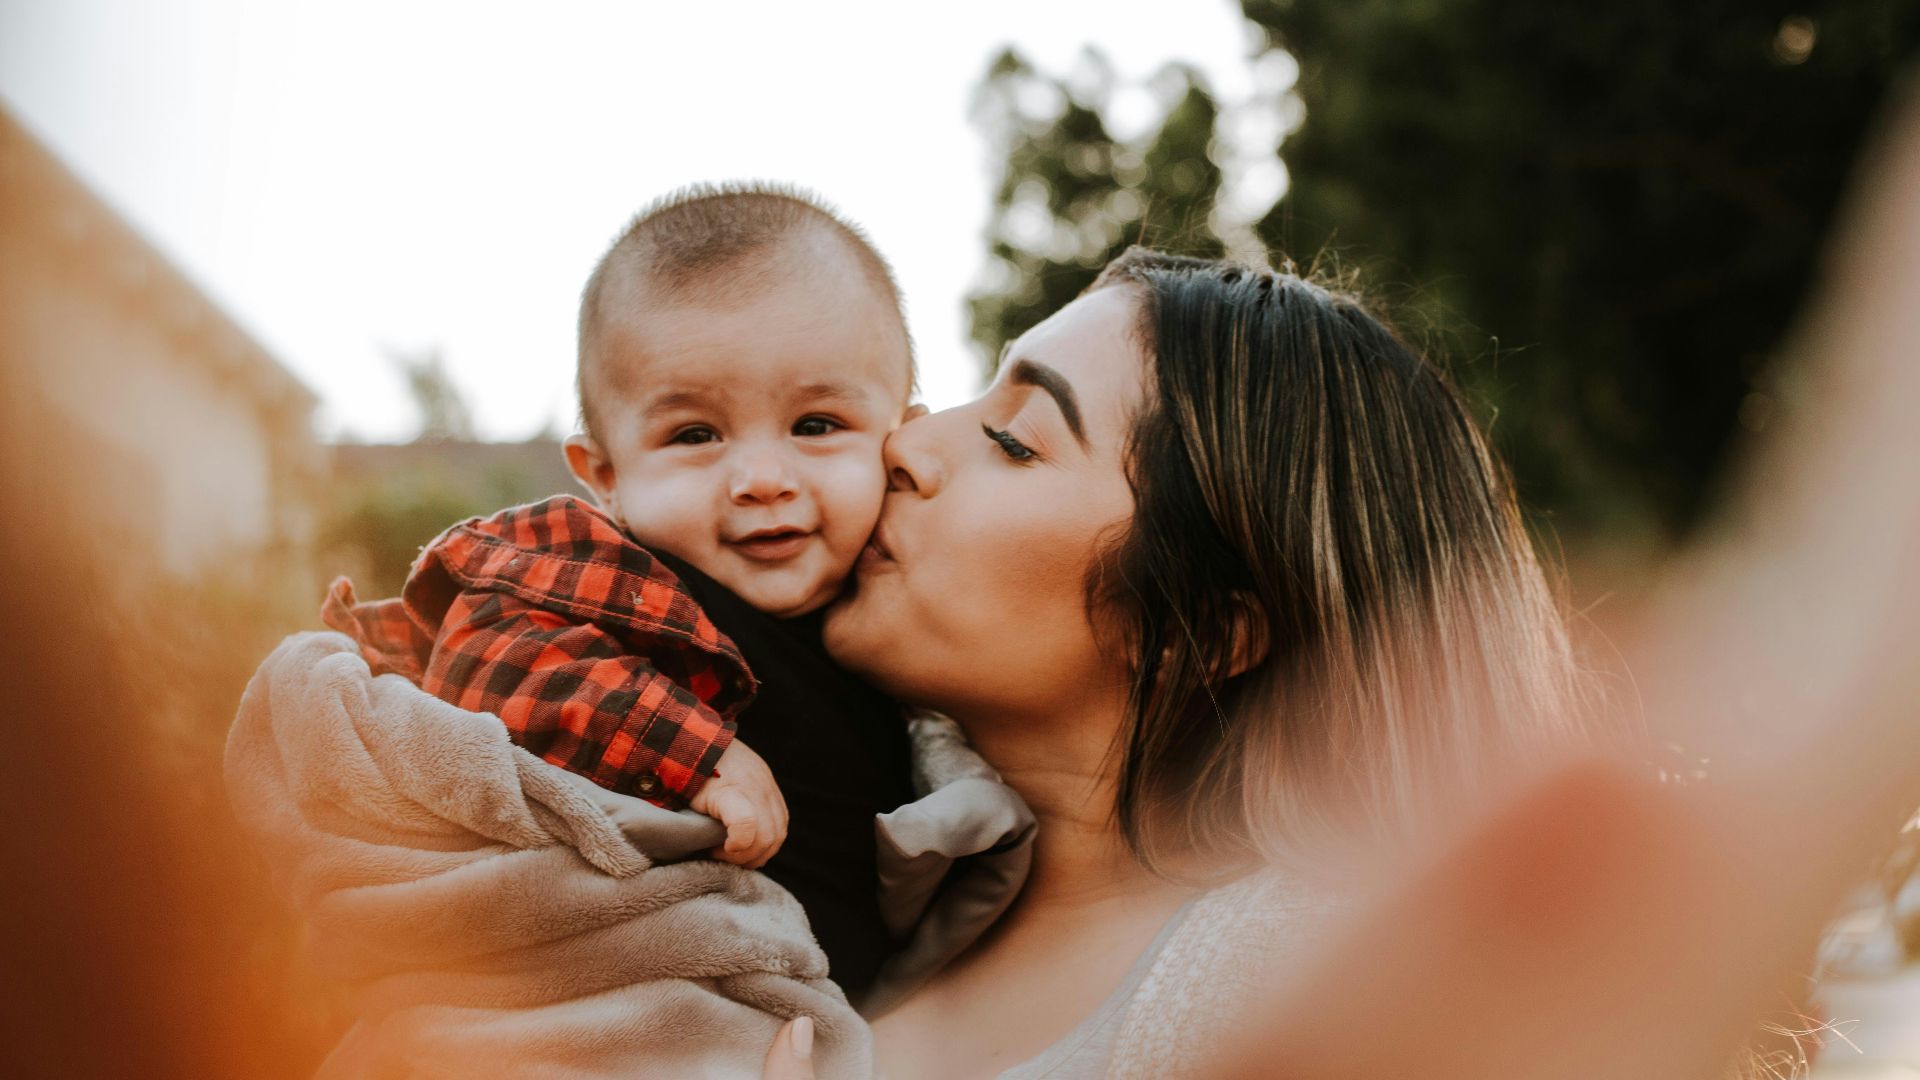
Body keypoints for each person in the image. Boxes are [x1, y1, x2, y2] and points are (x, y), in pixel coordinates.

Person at [771, 246, 1590, 1076]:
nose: (907, 440)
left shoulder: (1314, 995)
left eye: (1013, 441)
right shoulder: (828, 869)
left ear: (1198, 629)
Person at [320, 182, 922, 999]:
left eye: (816, 425)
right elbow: (492, 654)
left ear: (904, 438)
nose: (761, 478)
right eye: (694, 435)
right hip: (624, 1002)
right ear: (605, 476)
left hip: (842, 1015)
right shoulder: (615, 575)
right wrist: (693, 753)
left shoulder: (909, 608)